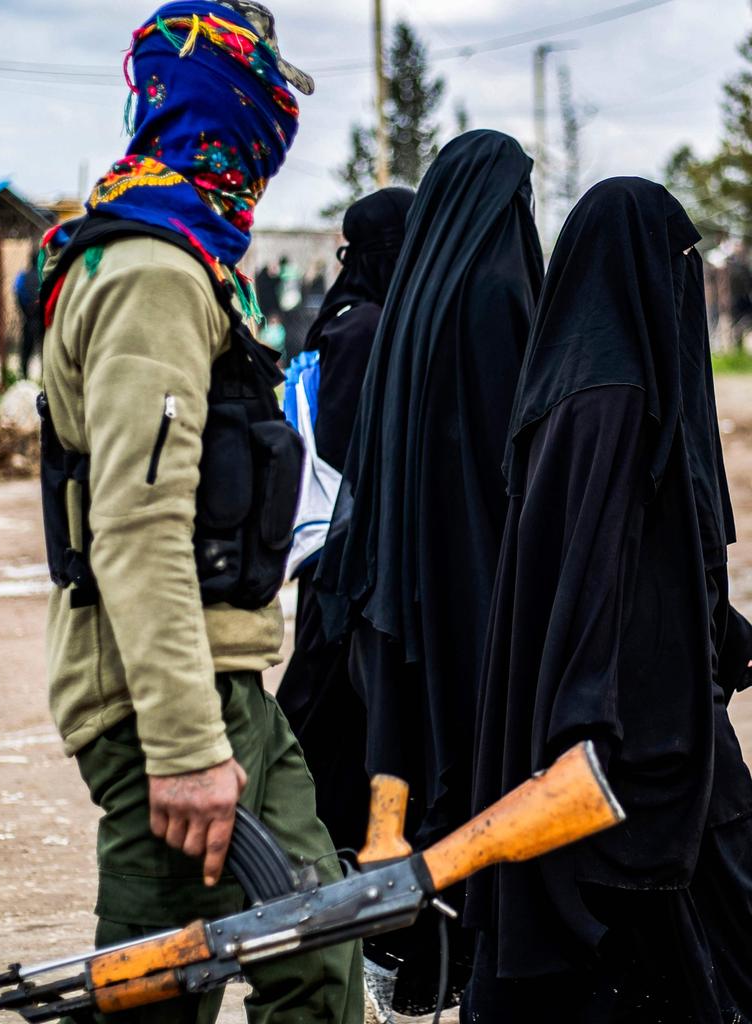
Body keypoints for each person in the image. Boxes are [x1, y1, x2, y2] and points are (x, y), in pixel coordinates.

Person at [38, 3, 362, 1022]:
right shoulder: (151, 271)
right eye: (263, 88)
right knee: (161, 986)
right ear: (224, 100)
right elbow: (137, 528)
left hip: (217, 682)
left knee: (317, 952)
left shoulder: (178, 254)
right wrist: (182, 749)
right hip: (160, 706)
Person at [462, 177, 752, 1024]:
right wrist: (588, 721)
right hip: (630, 723)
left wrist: (720, 630)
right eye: (680, 264)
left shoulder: (588, 381)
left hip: (650, 701)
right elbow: (592, 568)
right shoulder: (612, 400)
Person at [317, 130, 544, 1018]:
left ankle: (411, 953)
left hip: (395, 591)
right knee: (484, 766)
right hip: (477, 586)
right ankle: (470, 955)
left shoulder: (407, 306)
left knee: (406, 769)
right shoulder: (496, 298)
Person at [277, 186, 415, 857]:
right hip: (341, 557)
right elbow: (343, 448)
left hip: (341, 555)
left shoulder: (355, 314)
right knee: (323, 711)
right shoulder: (363, 328)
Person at [14, 248, 43, 379]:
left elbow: (18, 293)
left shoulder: (22, 276)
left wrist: (25, 312)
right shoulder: (43, 276)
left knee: (26, 349)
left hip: (28, 318)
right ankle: (46, 377)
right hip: (41, 318)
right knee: (44, 349)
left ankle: (24, 376)